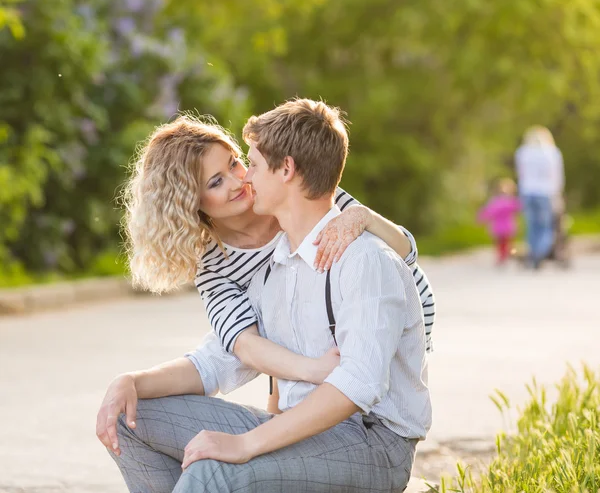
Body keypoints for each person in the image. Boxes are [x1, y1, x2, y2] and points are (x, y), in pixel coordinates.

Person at [103, 99, 431, 492]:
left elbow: (360, 374)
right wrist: (132, 382)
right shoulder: (254, 266)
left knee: (213, 470)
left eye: (241, 163)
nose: (242, 180)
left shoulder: (334, 221)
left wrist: (365, 220)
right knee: (130, 418)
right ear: (192, 203)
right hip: (313, 395)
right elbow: (233, 351)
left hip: (372, 419)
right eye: (215, 181)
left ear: (287, 170)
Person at [515, 126, 565, 269]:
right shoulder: (552, 152)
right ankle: (539, 254)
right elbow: (557, 176)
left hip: (528, 191)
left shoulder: (523, 152)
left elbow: (521, 174)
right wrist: (558, 193)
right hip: (546, 192)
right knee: (545, 226)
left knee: (531, 225)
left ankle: (532, 252)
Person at [477, 178, 521, 265]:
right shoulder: (511, 201)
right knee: (506, 243)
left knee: (500, 243)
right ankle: (506, 255)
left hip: (498, 227)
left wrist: (481, 219)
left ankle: (502, 256)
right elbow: (519, 208)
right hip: (508, 227)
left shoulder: (495, 201)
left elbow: (488, 212)